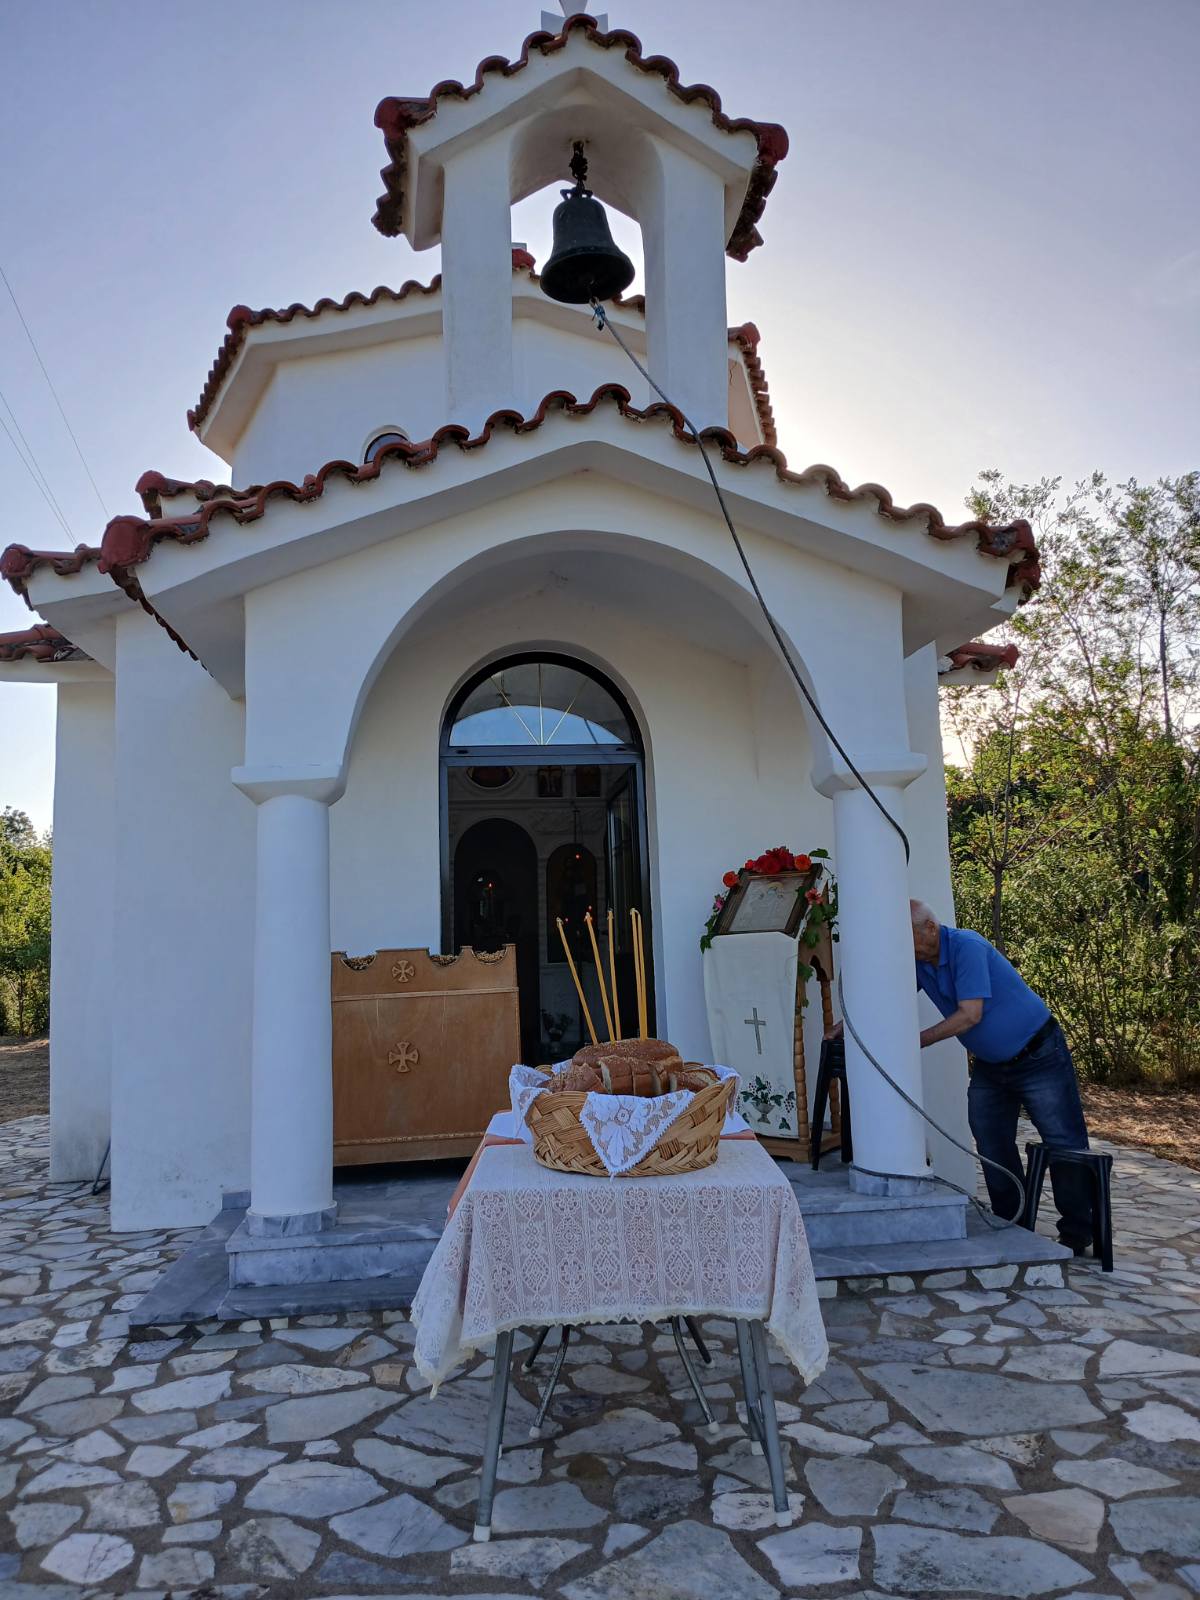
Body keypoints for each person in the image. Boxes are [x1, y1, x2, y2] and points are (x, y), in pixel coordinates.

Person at [908, 899, 1094, 1253]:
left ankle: (1078, 1230)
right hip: (991, 1066)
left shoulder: (967, 947)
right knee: (991, 1141)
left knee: (1063, 1142)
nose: (907, 949)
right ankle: (1013, 1222)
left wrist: (917, 1040)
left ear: (930, 928)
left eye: (909, 939)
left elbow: (970, 1015)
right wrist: (843, 1026)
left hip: (1039, 1055)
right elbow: (888, 998)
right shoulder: (919, 960)